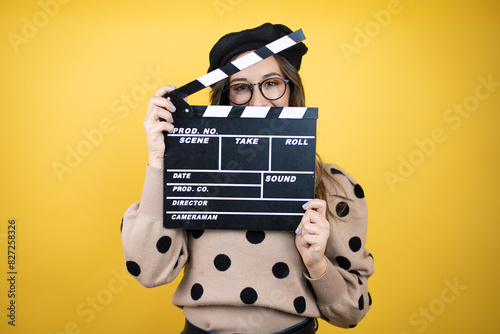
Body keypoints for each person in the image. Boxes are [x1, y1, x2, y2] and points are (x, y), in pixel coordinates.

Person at [121, 23, 374, 334]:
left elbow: (352, 311)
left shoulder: (336, 187)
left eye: (271, 83)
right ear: (226, 98)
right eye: (241, 87)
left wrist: (317, 265)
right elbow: (148, 271)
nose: (257, 103)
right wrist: (160, 163)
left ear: (291, 90)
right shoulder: (189, 175)